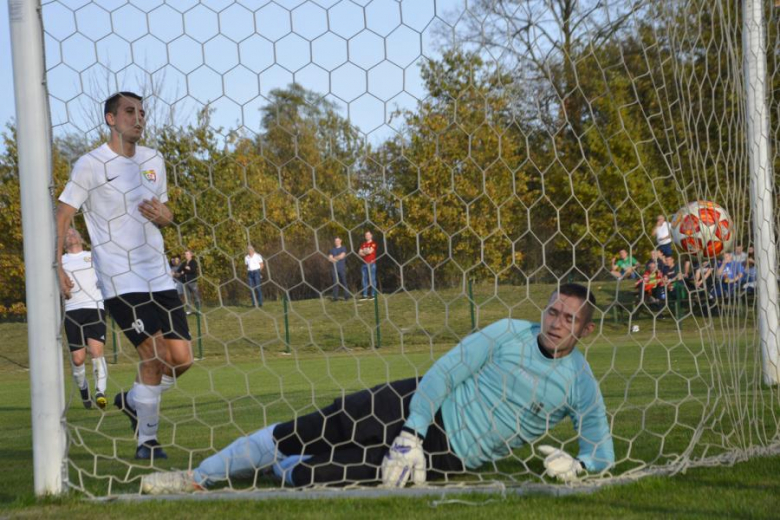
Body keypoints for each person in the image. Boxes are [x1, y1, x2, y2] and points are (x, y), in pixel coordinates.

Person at [140, 283, 614, 494]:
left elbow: (601, 448)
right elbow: (446, 372)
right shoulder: (509, 332)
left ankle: (274, 466)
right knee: (310, 428)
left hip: (449, 457)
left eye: (569, 318)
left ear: (585, 330)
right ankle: (197, 477)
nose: (556, 323)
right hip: (417, 403)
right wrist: (411, 431)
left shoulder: (580, 384)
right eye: (553, 311)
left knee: (309, 475)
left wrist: (580, 466)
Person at [56, 92, 193, 460]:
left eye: (142, 112)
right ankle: (147, 441)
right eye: (130, 111)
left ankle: (133, 400)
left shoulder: (153, 160)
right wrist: (57, 267)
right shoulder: (90, 164)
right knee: (154, 356)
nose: (139, 118)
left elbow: (165, 213)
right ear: (111, 119)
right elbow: (63, 214)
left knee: (182, 359)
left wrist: (165, 216)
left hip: (158, 276)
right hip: (120, 280)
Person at [61, 228, 109, 410]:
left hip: (94, 307)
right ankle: (83, 389)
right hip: (72, 311)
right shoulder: (61, 262)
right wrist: (63, 290)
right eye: (67, 234)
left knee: (96, 351)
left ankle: (100, 392)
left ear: (81, 238)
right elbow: (57, 285)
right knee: (78, 359)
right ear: (63, 243)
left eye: (74, 232)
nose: (71, 235)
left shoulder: (93, 257)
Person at [358, 231, 377, 300]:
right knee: (364, 280)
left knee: (372, 279)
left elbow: (370, 252)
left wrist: (364, 251)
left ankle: (373, 295)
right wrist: (366, 251)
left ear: (371, 235)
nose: (367, 236)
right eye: (366, 235)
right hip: (364, 264)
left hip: (372, 263)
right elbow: (359, 253)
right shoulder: (363, 244)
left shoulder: (373, 243)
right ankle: (365, 295)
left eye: (368, 235)